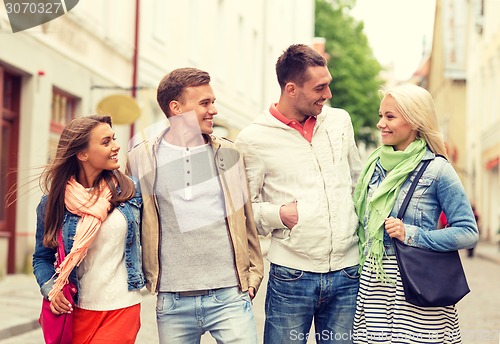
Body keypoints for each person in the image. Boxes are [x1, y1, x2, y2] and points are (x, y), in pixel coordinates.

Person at [235, 43, 363, 343]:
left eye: (328, 84)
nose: (328, 95)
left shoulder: (340, 121)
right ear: (291, 89)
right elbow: (240, 209)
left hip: (348, 273)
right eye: (320, 88)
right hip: (293, 275)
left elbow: (359, 182)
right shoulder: (253, 139)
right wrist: (277, 215)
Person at [126, 67, 264, 343]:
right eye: (204, 103)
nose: (213, 110)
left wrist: (254, 275)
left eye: (212, 102)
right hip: (173, 301)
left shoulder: (228, 153)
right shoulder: (141, 158)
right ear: (176, 108)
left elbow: (246, 218)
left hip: (229, 295)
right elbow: (129, 221)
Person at [352, 84, 478, 343]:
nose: (380, 124)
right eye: (380, 116)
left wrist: (412, 234)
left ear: (414, 121)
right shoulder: (373, 167)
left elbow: (468, 232)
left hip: (415, 284)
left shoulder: (437, 170)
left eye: (390, 117)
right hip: (375, 282)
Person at [32, 115, 145, 343]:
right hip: (75, 308)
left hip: (121, 306)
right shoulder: (53, 202)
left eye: (114, 139)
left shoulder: (129, 191)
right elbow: (41, 257)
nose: (116, 146)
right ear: (82, 154)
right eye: (106, 142)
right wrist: (50, 288)